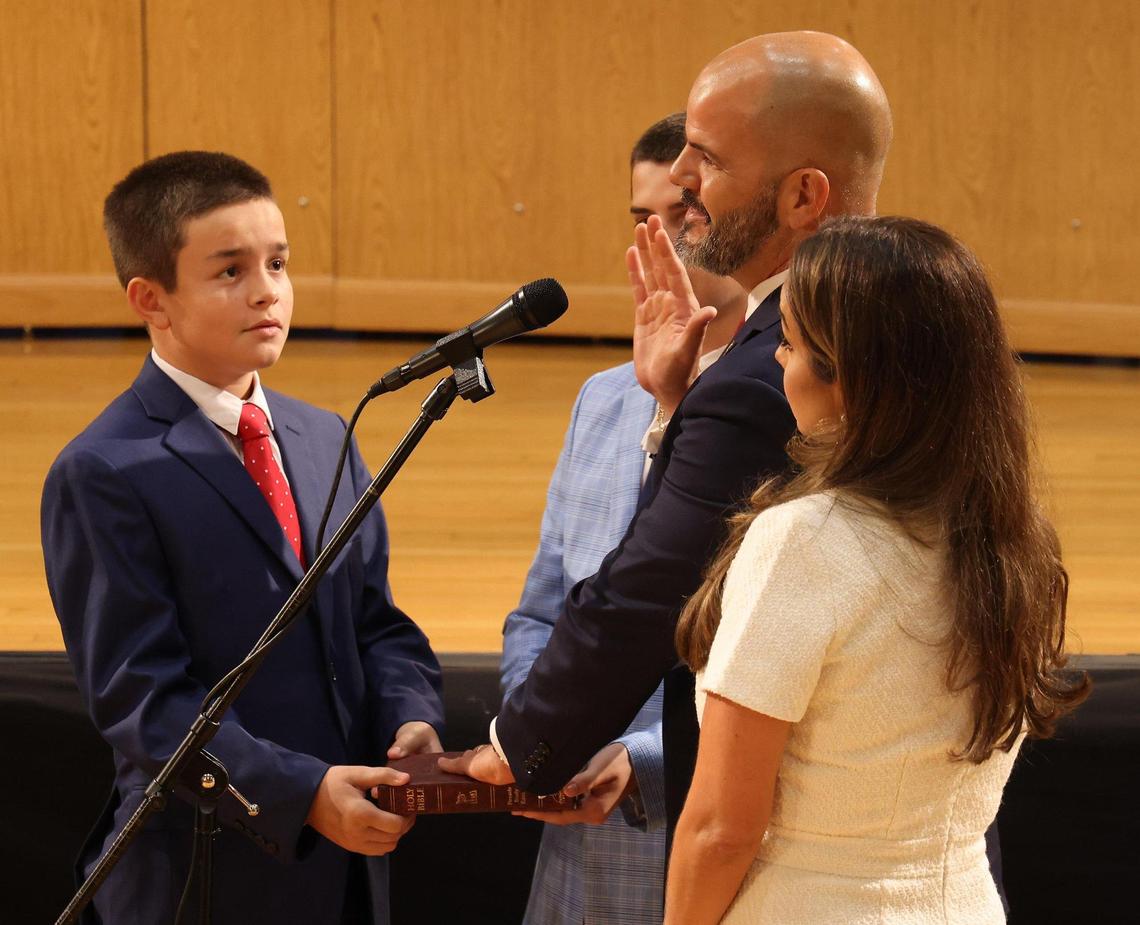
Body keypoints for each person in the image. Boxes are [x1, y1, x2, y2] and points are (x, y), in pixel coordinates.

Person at [445, 30, 893, 844]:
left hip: (797, 829)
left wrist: (522, 744)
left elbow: (654, 588)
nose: (684, 182)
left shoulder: (771, 370)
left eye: (708, 160)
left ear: (803, 197)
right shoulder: (912, 317)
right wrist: (676, 407)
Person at [40, 151, 445, 925]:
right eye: (230, 271)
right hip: (206, 873)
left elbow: (374, 621)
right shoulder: (104, 471)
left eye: (279, 262)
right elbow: (145, 703)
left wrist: (409, 714)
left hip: (344, 870)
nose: (268, 290)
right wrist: (301, 793)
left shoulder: (326, 434)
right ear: (150, 298)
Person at [665, 215, 1090, 923]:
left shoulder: (804, 541)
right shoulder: (1020, 541)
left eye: (792, 344)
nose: (776, 363)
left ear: (852, 378)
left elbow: (720, 829)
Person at [500, 113, 746, 924]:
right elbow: (542, 608)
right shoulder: (602, 399)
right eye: (643, 220)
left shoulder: (788, 403)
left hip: (712, 839)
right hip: (579, 852)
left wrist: (637, 759)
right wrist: (540, 740)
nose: (661, 242)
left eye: (683, 217)